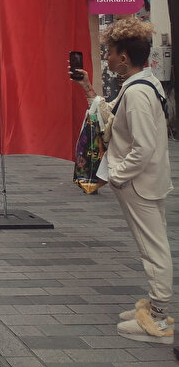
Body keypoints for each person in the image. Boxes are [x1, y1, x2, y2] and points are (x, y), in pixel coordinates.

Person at [75, 18, 173, 344]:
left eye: (110, 52)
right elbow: (108, 115)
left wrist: (117, 177)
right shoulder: (140, 84)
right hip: (144, 181)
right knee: (152, 245)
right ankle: (154, 308)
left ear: (125, 57)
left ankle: (158, 320)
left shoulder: (138, 93)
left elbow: (142, 147)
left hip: (139, 183)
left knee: (152, 248)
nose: (107, 58)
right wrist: (87, 87)